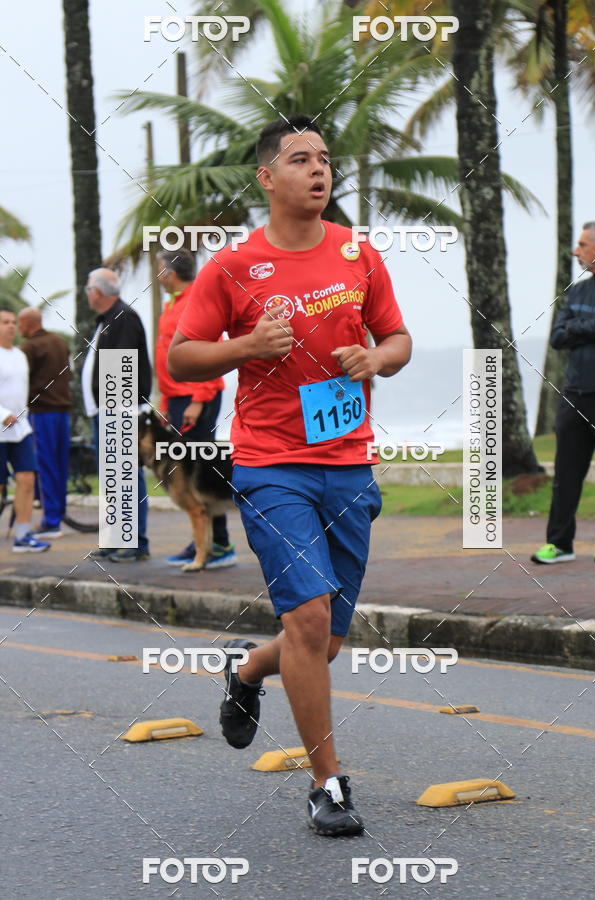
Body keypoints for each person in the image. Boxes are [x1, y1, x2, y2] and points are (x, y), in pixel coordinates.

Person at [169, 115, 411, 836]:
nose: (318, 170)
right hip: (272, 464)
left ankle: (247, 673)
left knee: (325, 642)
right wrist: (245, 345)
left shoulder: (357, 253)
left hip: (347, 464)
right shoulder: (232, 267)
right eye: (300, 159)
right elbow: (183, 357)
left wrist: (379, 359)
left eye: (326, 160)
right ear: (266, 177)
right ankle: (327, 784)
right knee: (305, 621)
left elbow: (397, 336)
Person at [155, 248, 237, 569]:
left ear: (170, 273)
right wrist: (166, 401)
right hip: (177, 399)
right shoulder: (172, 304)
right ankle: (204, 542)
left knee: (200, 472)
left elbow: (210, 351)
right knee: (187, 473)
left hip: (195, 398)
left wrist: (199, 398)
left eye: (160, 269)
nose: (157, 275)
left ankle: (218, 545)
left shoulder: (194, 301)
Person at [532, 220, 595, 564]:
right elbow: (558, 336)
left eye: (583, 245)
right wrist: (587, 328)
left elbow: (572, 329)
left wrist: (578, 327)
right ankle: (560, 544)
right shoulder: (576, 291)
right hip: (575, 395)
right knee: (566, 475)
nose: (576, 251)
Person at [81, 268, 152, 562]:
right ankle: (115, 538)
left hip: (117, 410)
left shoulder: (122, 317)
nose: (86, 293)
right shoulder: (110, 318)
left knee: (125, 475)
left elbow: (122, 368)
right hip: (106, 410)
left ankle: (135, 541)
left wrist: (115, 411)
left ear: (97, 291)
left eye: (88, 288)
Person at [18, 306, 71, 540]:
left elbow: (20, 380)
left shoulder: (29, 347)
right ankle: (57, 515)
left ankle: (51, 521)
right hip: (63, 412)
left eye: (19, 324)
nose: (17, 329)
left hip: (41, 412)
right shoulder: (60, 342)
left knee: (45, 466)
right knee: (60, 466)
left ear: (28, 323)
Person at [0, 308, 50, 552]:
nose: (10, 326)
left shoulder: (20, 355)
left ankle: (23, 535)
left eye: (12, 322)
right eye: (4, 322)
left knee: (27, 478)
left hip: (21, 429)